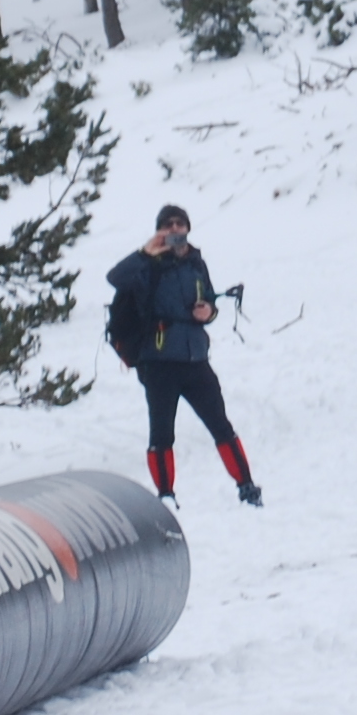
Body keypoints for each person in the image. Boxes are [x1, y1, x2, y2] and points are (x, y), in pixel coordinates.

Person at [103, 204, 259, 507]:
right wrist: (145, 253)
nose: (174, 229)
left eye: (179, 224)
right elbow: (114, 278)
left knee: (221, 425)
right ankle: (166, 496)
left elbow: (208, 298)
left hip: (195, 358)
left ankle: (247, 486)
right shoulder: (145, 265)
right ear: (159, 230)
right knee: (161, 433)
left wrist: (209, 311)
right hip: (158, 362)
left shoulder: (196, 263)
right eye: (167, 225)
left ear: (188, 228)